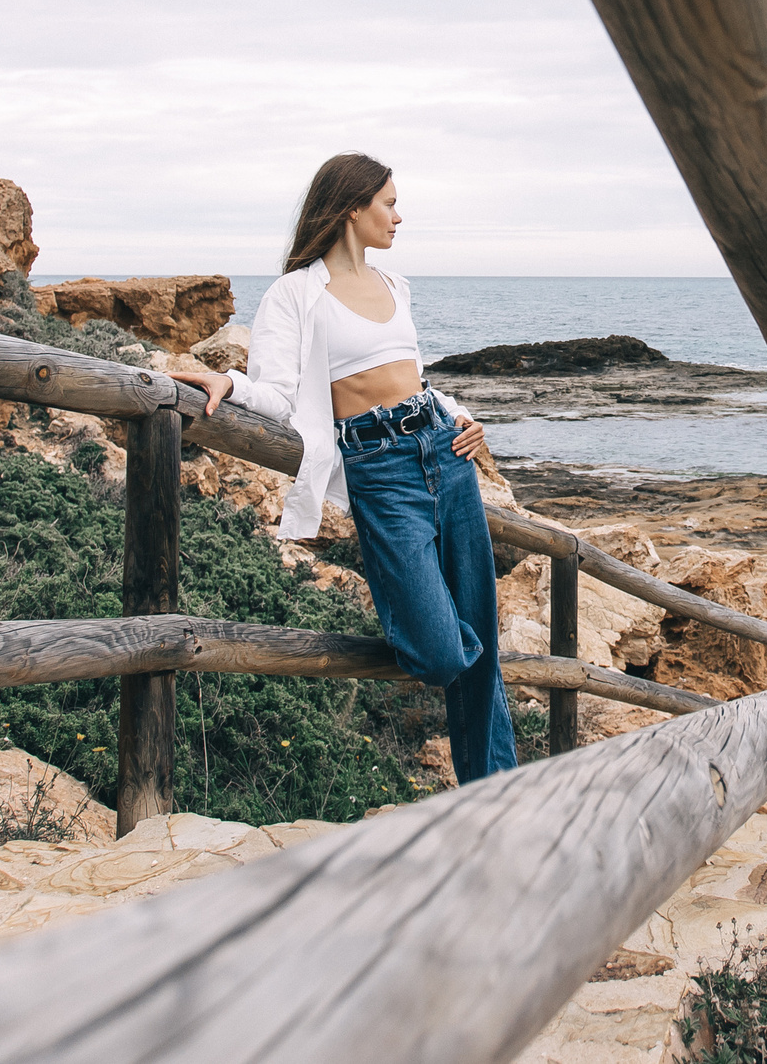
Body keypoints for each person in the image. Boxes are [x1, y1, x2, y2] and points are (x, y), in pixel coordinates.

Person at [184, 153, 517, 783]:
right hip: (380, 469)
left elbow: (412, 379)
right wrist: (227, 381)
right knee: (446, 652)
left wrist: (464, 417)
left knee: (480, 631)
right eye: (388, 203)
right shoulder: (296, 294)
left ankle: (495, 799)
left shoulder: (397, 287)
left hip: (446, 454)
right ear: (351, 208)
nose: (398, 216)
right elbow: (281, 394)